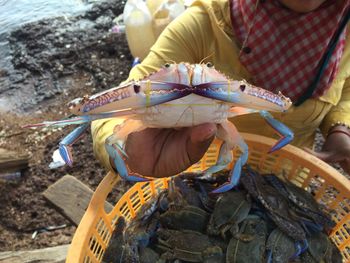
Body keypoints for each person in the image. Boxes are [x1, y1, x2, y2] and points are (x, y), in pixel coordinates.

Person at [91, 0, 350, 179]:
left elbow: (345, 86)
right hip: (199, 174)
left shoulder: (345, 30)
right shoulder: (201, 27)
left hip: (295, 177)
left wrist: (339, 127)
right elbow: (120, 101)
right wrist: (126, 147)